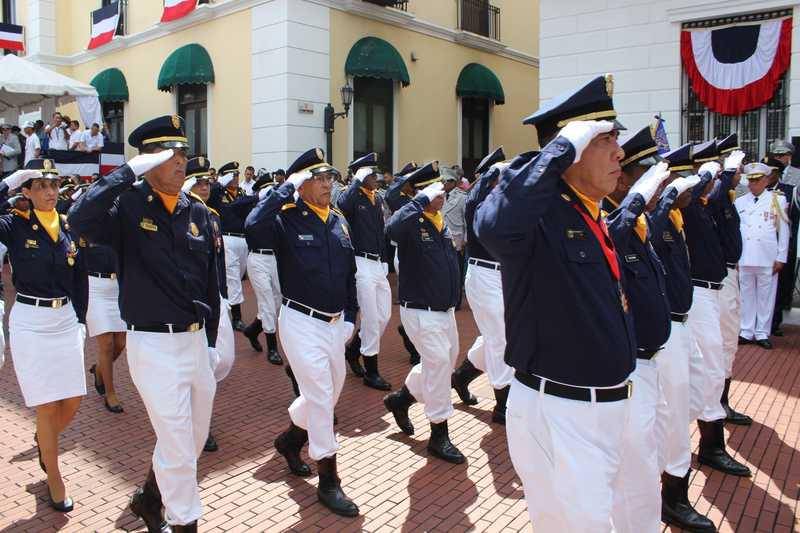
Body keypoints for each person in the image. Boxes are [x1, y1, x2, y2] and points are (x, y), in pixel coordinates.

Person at [475, 75, 637, 531]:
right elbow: (493, 228)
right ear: (572, 146)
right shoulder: (539, 210)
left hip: (605, 406)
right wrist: (557, 152)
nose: (619, 153)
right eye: (605, 139)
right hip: (562, 411)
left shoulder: (589, 209)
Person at [69, 115, 220, 532]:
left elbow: (209, 282)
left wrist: (209, 341)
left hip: (193, 343)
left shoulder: (197, 212)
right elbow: (79, 219)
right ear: (147, 160)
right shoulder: (126, 207)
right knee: (177, 442)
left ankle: (148, 500)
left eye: (183, 153)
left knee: (190, 440)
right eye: (169, 154)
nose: (180, 161)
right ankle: (184, 521)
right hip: (152, 346)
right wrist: (124, 174)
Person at [245, 148, 360, 517]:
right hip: (300, 322)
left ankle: (290, 440)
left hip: (333, 322)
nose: (328, 184)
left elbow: (348, 273)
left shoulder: (339, 220)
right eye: (319, 178)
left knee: (326, 396)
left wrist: (351, 315)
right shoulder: (285, 219)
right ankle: (329, 479)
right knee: (322, 399)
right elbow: (251, 227)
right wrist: (283, 189)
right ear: (302, 183)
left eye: (330, 178)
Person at [0, 159, 88, 512]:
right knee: (48, 404)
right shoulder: (13, 225)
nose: (51, 192)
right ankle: (53, 476)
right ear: (27, 191)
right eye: (40, 186)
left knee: (73, 400)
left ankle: (44, 441)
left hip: (65, 318)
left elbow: (80, 277)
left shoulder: (68, 226)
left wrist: (81, 318)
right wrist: (9, 182)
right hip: (30, 322)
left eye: (54, 186)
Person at [602, 124, 673, 533]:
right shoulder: (614, 223)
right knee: (636, 474)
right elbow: (608, 235)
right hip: (631, 368)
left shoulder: (640, 226)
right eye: (645, 173)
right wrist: (634, 201)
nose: (656, 185)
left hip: (653, 360)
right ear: (624, 178)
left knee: (651, 458)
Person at [648, 146, 714, 532]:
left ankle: (668, 475)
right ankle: (674, 497)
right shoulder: (655, 217)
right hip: (666, 330)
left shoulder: (675, 216)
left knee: (690, 398)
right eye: (681, 178)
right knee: (672, 417)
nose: (690, 186)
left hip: (681, 324)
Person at [383, 161, 465, 464]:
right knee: (439, 364)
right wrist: (417, 201)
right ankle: (439, 434)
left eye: (442, 188)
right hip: (421, 309)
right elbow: (390, 229)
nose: (441, 193)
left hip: (445, 310)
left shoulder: (438, 219)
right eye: (435, 190)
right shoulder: (411, 221)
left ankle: (400, 400)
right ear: (419, 194)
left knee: (441, 363)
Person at [681, 140, 752, 478]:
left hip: (713, 290)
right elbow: (696, 195)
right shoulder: (693, 202)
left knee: (717, 362)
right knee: (708, 370)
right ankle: (711, 447)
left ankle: (713, 441)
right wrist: (718, 175)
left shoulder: (707, 202)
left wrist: (720, 178)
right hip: (699, 296)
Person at [451, 147, 514, 424]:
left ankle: (460, 377)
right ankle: (503, 402)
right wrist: (492, 174)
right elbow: (477, 201)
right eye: (501, 176)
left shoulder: (502, 200)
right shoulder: (477, 201)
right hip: (484, 275)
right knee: (500, 338)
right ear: (489, 178)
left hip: (503, 275)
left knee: (494, 336)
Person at [182, 156, 236, 453]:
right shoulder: (182, 213)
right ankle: (198, 419)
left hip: (215, 295)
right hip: (192, 301)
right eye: (199, 182)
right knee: (201, 363)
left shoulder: (212, 215)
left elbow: (219, 260)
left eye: (207, 182)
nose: (204, 187)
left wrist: (224, 294)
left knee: (223, 359)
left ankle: (198, 405)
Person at [336, 153, 392, 390]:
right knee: (370, 317)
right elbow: (341, 206)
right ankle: (372, 371)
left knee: (383, 316)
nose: (376, 179)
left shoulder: (376, 198)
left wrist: (385, 259)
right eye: (371, 175)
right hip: (360, 263)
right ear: (361, 175)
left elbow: (381, 232)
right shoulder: (352, 196)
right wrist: (356, 183)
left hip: (377, 263)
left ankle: (354, 349)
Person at [712, 135, 753, 427]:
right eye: (738, 170)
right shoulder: (715, 196)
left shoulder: (727, 197)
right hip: (719, 278)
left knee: (729, 343)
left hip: (730, 274)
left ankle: (723, 401)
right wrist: (726, 174)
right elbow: (714, 198)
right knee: (722, 344)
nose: (741, 175)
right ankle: (717, 404)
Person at [737, 162, 790, 350]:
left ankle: (761, 332)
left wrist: (781, 257)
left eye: (757, 180)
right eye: (750, 180)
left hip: (767, 256)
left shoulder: (777, 200)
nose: (753, 184)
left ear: (766, 180)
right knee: (746, 295)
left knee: (766, 297)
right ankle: (746, 330)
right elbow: (736, 232)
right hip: (745, 256)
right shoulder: (740, 201)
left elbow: (783, 230)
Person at [208, 161, 258, 331]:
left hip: (243, 239)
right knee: (232, 278)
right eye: (232, 175)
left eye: (237, 175)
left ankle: (227, 307)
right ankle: (236, 317)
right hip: (227, 238)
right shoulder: (218, 192)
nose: (236, 178)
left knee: (238, 276)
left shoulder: (242, 192)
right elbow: (212, 196)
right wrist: (220, 182)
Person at [242, 171, 284, 365]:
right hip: (258, 258)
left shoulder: (276, 215)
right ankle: (272, 347)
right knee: (267, 301)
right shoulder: (255, 214)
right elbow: (252, 225)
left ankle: (253, 329)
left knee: (278, 298)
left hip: (274, 258)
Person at [384, 161, 423, 365]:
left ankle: (409, 331)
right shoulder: (400, 199)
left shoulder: (416, 198)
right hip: (406, 252)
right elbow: (390, 195)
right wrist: (402, 178)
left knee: (421, 297)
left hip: (421, 251)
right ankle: (411, 337)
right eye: (413, 179)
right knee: (413, 297)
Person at [83, 236, 126, 414]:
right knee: (106, 344)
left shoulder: (120, 216)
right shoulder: (82, 218)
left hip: (119, 285)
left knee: (120, 343)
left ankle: (99, 369)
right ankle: (110, 394)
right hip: (94, 287)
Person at [442, 168, 467, 309]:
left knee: (456, 271)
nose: (443, 184)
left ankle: (456, 300)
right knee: (444, 270)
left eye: (445, 181)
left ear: (453, 182)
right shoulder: (439, 196)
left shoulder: (462, 197)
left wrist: (465, 240)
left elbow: (467, 221)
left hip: (457, 240)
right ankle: (446, 297)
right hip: (442, 240)